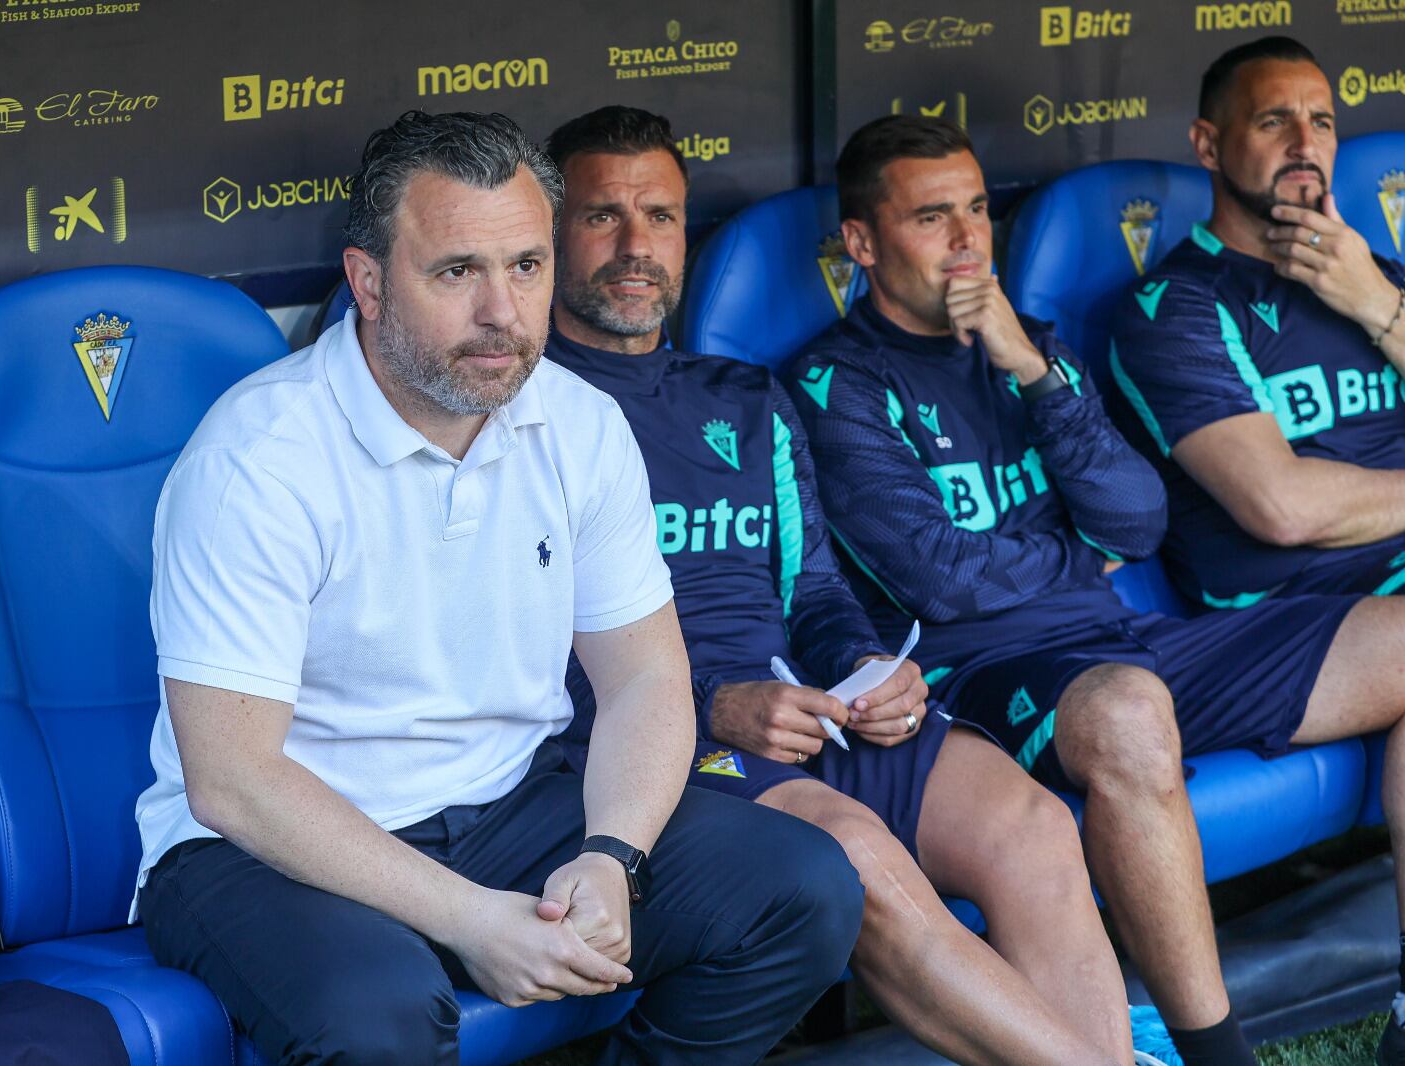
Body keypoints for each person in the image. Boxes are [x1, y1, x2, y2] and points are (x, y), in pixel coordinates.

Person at [130, 110, 863, 1066]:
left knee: (804, 886)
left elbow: (645, 679)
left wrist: (612, 854)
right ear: (368, 283)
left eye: (525, 267)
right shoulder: (260, 459)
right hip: (267, 849)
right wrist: (475, 921)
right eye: (455, 272)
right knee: (379, 1020)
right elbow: (234, 782)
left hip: (509, 805)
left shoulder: (581, 426)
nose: (502, 313)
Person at [787, 112, 1405, 1066]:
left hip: (1126, 644)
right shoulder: (836, 382)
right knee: (1126, 712)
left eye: (978, 212)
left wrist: (1031, 371)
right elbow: (938, 578)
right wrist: (1076, 556)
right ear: (862, 244)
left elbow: (1136, 520)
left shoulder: (1029, 350)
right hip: (990, 677)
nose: (965, 242)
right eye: (930, 218)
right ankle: (1218, 1052)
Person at [544, 105, 1136, 1066]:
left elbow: (813, 588)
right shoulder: (521, 413)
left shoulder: (740, 396)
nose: (635, 244)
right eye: (601, 216)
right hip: (649, 743)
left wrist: (864, 664)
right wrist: (714, 705)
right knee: (856, 855)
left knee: (1028, 827)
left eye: (659, 216)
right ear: (548, 233)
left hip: (810, 711)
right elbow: (504, 655)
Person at [1109, 36, 1405, 608]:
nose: (1304, 144)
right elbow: (1284, 508)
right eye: (1274, 121)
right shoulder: (1173, 306)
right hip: (1299, 607)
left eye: (1321, 122)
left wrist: (1377, 305)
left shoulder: (1377, 275)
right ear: (1209, 146)